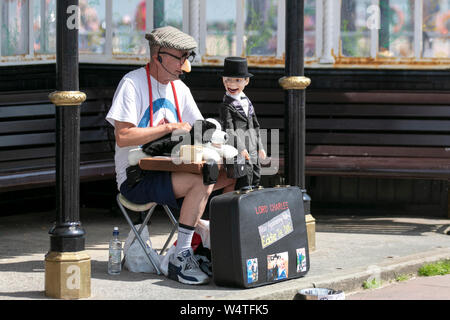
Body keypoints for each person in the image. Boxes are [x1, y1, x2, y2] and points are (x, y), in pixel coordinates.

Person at [106, 26, 235, 285]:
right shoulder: (131, 83)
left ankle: (209, 246)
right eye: (180, 58)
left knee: (231, 173)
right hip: (136, 177)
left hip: (173, 170)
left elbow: (199, 130)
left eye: (187, 58)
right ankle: (180, 258)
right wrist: (168, 127)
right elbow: (123, 137)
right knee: (203, 179)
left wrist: (225, 143)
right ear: (159, 57)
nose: (184, 65)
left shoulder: (180, 89)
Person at [219, 57, 266, 191]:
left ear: (246, 81)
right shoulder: (226, 105)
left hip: (252, 146)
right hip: (238, 148)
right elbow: (229, 130)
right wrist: (240, 148)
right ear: (223, 80)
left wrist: (260, 146)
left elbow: (255, 125)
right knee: (243, 179)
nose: (232, 84)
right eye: (228, 79)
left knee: (256, 174)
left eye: (238, 80)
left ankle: (253, 204)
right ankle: (242, 206)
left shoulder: (247, 101)